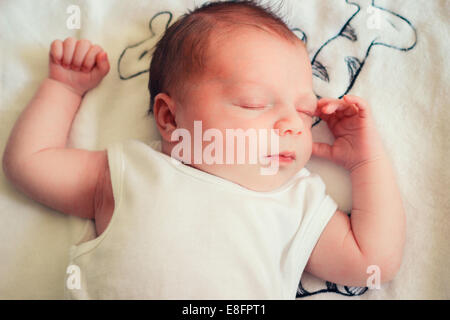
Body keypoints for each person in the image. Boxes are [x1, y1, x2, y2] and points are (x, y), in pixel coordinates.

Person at [2, 0, 405, 299]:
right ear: (170, 118)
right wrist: (64, 89)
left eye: (304, 110)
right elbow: (29, 164)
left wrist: (366, 160)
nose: (291, 123)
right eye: (253, 103)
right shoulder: (131, 172)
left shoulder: (295, 201)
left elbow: (374, 261)